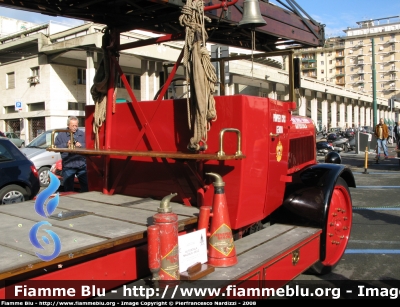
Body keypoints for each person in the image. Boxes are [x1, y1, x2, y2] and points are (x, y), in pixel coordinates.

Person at [55, 116, 88, 192]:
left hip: (81, 164)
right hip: (68, 165)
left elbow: (89, 145)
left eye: (76, 125)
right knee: (68, 188)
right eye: (72, 125)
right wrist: (66, 144)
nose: (74, 127)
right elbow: (56, 147)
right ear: (68, 125)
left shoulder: (82, 134)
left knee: (86, 185)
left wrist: (81, 145)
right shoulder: (61, 135)